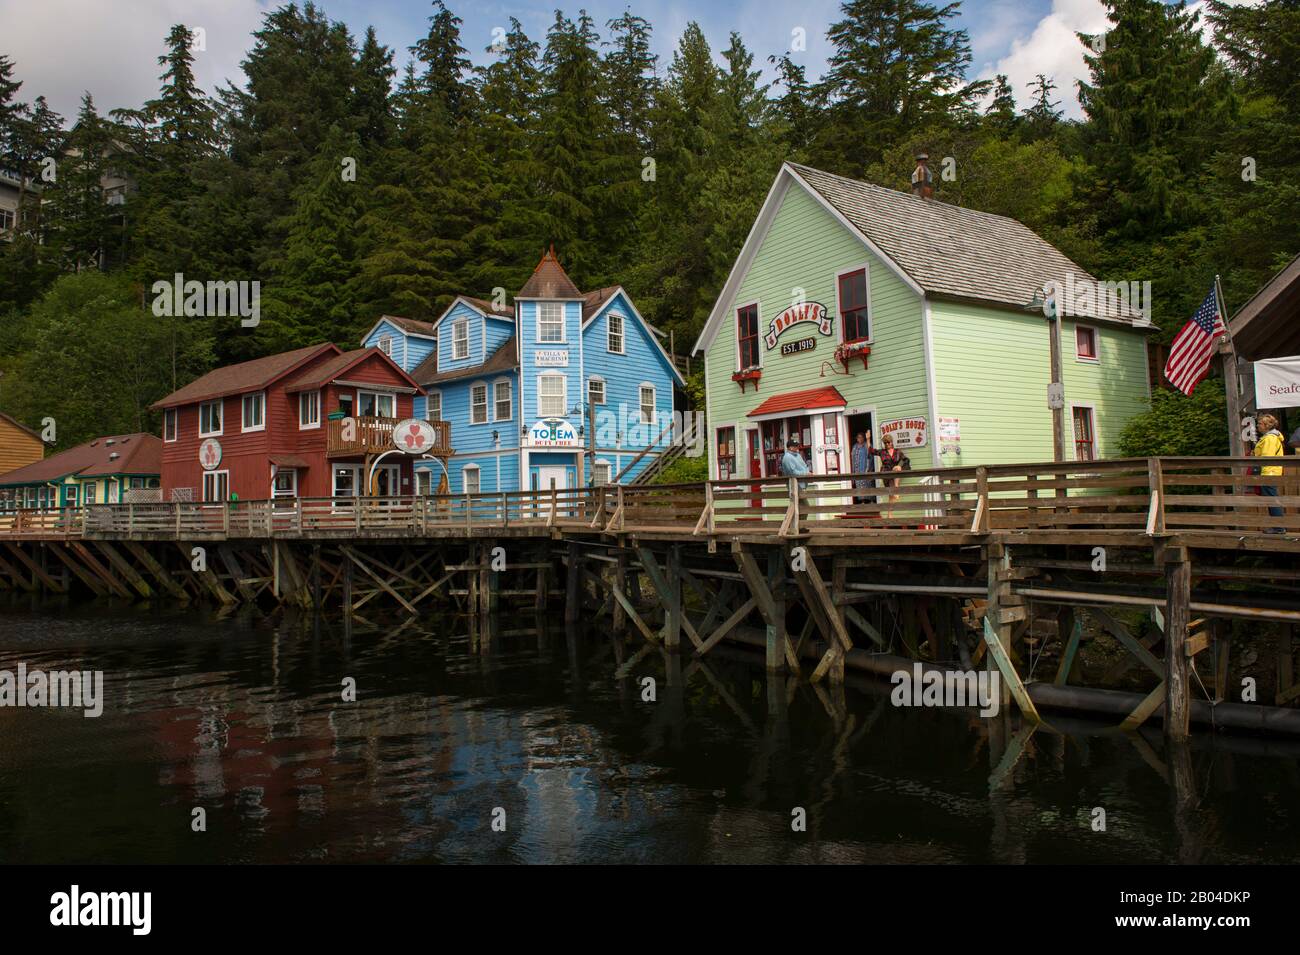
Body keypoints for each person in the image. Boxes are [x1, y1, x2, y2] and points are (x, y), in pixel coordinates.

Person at [1254, 413, 1285, 533]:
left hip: (1269, 472)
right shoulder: (1270, 437)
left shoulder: (1270, 438)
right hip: (1270, 471)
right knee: (1271, 499)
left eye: (1260, 424)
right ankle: (1278, 527)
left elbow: (1267, 457)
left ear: (1267, 425)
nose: (1258, 426)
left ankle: (1278, 527)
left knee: (1272, 499)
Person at [877, 434, 904, 520]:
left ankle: (889, 514)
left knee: (891, 494)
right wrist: (868, 440)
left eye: (888, 442)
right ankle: (890, 513)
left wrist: (899, 465)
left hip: (895, 473)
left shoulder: (897, 451)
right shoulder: (882, 452)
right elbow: (871, 451)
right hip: (886, 473)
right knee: (891, 494)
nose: (887, 444)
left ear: (892, 442)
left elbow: (904, 459)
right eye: (885, 443)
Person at [850, 432, 875, 504]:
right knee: (860, 485)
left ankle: (871, 500)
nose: (859, 439)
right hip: (858, 469)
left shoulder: (867, 445)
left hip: (866, 468)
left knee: (869, 484)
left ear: (864, 438)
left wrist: (869, 467)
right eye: (858, 437)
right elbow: (852, 457)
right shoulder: (855, 447)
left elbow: (871, 455)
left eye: (861, 437)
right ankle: (862, 500)